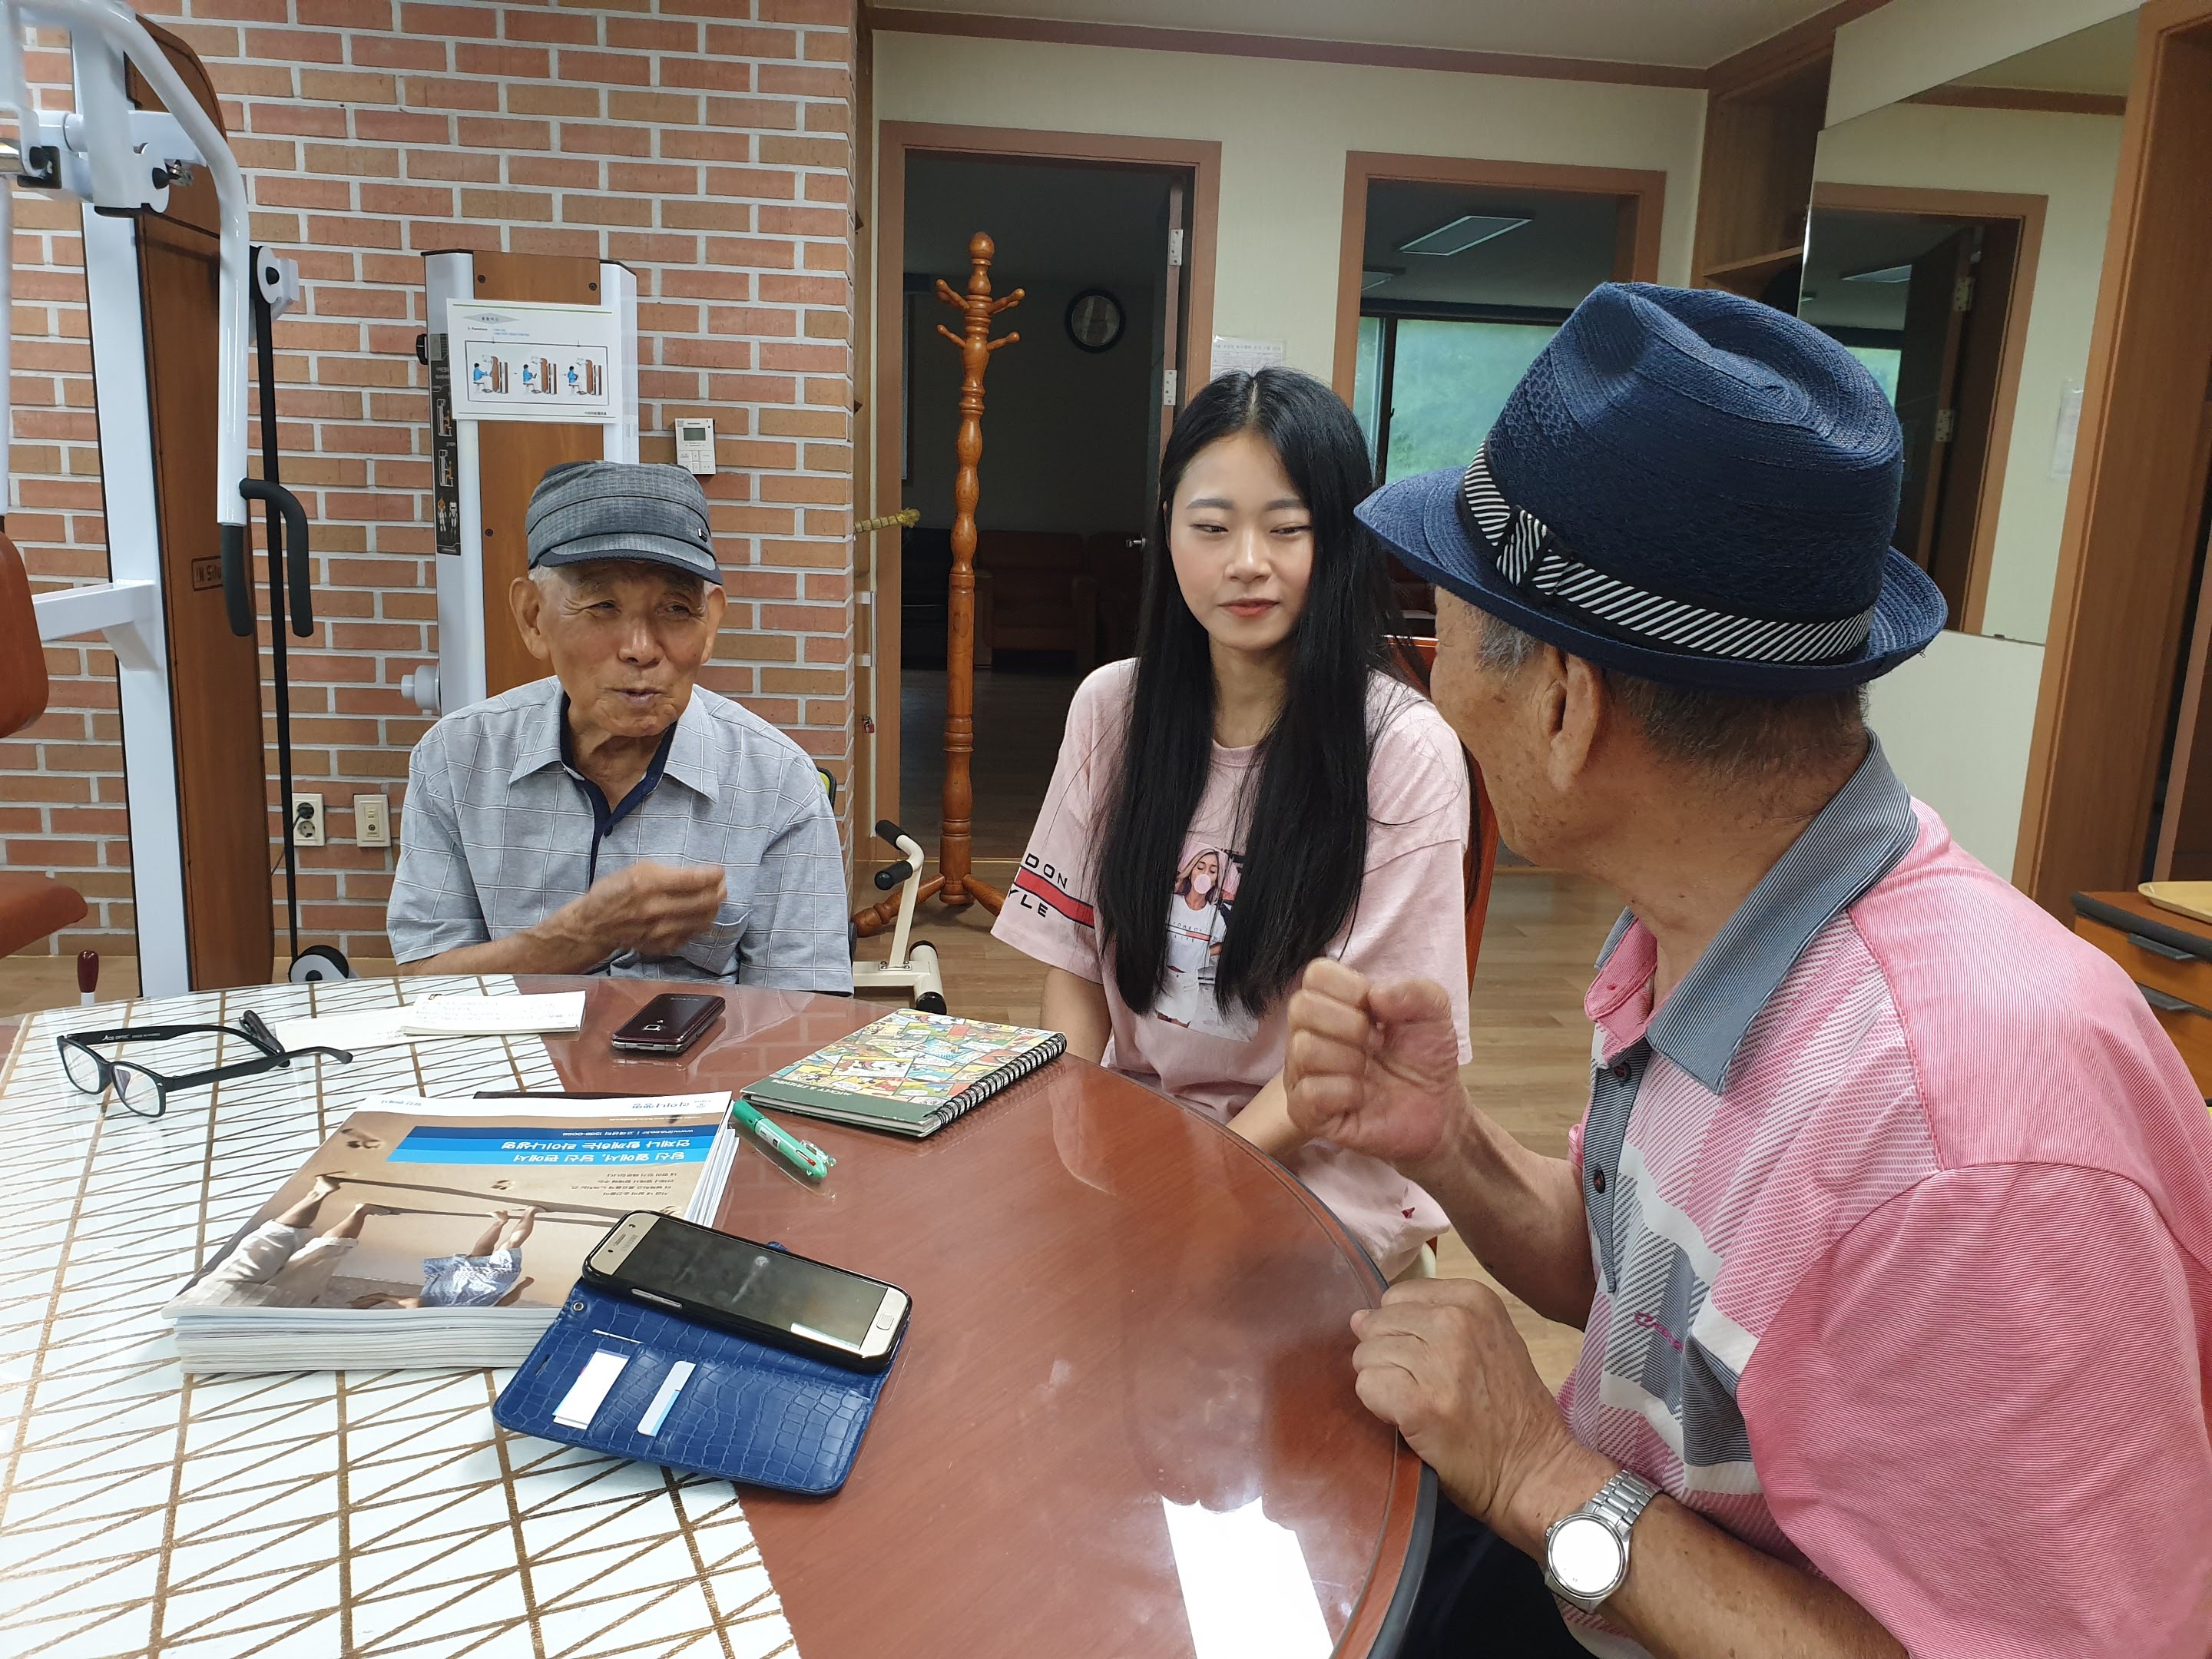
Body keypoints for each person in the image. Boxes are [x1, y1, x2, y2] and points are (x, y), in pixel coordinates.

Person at [1283, 283, 2212, 1656]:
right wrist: (1450, 1143)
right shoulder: (1708, 917)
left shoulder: (1961, 1149)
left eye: (1446, 633)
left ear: (1565, 705)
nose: (1438, 685)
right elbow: (1661, 1314)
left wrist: (1540, 1474)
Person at [995, 366, 1472, 1279]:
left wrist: (1193, 1186)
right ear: (1168, 527)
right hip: (1140, 1136)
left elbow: (1355, 1058)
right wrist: (1074, 1138)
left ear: (1340, 539)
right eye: (1212, 527)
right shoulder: (1111, 710)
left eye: (1287, 529)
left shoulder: (1403, 750)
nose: (1246, 561)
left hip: (1320, 1168)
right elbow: (1074, 967)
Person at [388, 461, 850, 990]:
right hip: (511, 1046)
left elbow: (806, 1010)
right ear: (533, 617)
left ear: (710, 626)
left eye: (676, 609)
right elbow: (423, 983)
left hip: (717, 1047)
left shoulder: (779, 782)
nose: (640, 648)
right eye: (603, 606)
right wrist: (579, 937)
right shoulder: (456, 758)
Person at [176, 1176, 390, 1308]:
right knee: (270, 1240)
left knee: (320, 1256)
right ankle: (319, 1192)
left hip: (268, 1309)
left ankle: (362, 1211)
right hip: (209, 1299)